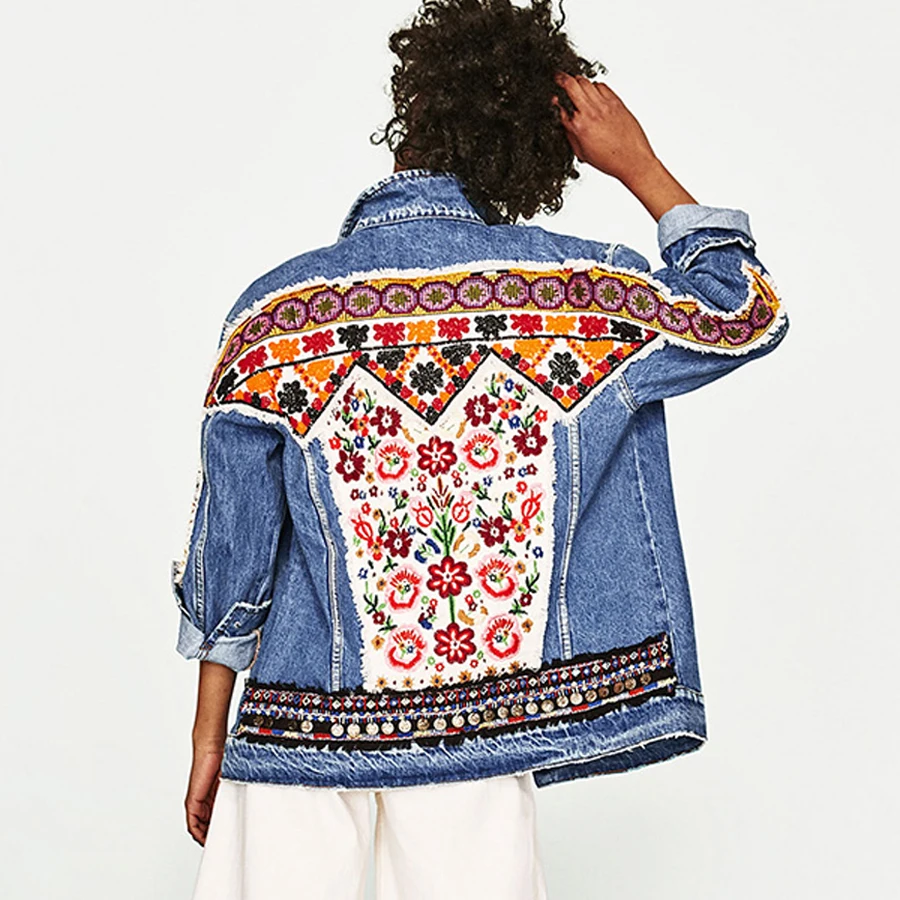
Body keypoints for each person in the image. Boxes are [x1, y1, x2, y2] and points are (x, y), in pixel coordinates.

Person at [171, 2, 789, 897]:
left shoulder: (276, 317)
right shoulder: (577, 300)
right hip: (481, 732)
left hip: (292, 729)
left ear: (412, 110)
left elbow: (234, 556)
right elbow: (743, 310)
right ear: (537, 148)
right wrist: (639, 164)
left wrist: (207, 736)